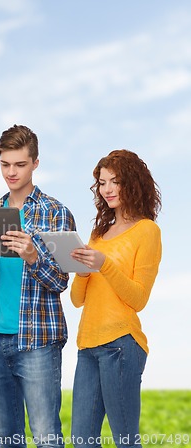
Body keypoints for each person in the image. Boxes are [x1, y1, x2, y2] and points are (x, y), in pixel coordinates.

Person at [0, 125, 76, 448]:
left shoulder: (56, 214)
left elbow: (61, 282)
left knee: (46, 436)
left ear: (35, 163)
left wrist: (33, 256)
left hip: (38, 341)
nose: (11, 172)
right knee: (7, 437)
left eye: (19, 164)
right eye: (5, 165)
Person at [70, 150, 162, 448]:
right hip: (88, 347)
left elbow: (138, 298)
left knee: (125, 440)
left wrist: (104, 264)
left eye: (115, 181)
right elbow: (76, 300)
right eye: (102, 182)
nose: (106, 189)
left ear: (133, 183)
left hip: (121, 346)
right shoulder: (99, 233)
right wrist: (83, 271)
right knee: (82, 441)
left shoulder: (147, 231)